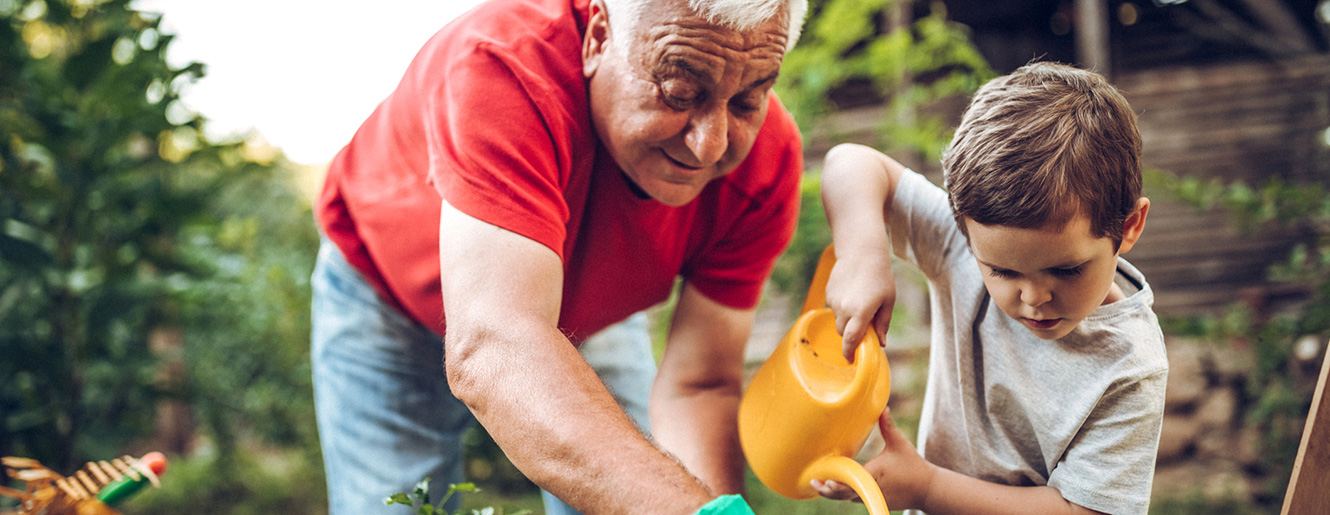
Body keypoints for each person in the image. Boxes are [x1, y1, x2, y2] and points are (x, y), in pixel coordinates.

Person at [310, 0, 809, 513]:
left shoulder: (765, 164)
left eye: (748, 100)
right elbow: (495, 346)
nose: (710, 145)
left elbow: (699, 385)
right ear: (598, 39)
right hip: (387, 296)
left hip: (586, 310)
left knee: (646, 485)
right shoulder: (504, 67)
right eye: (679, 92)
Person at [810, 62, 1169, 514]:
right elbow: (851, 162)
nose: (1034, 297)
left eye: (1067, 270)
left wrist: (925, 489)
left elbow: (1084, 511)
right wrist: (862, 255)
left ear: (1129, 225)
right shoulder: (958, 244)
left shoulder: (1130, 365)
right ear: (966, 232)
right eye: (1002, 272)